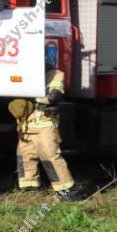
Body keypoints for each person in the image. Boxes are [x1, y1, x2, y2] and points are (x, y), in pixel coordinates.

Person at [9, 61, 80, 200]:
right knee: (25, 155)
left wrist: (27, 95)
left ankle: (67, 190)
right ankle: (30, 186)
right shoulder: (24, 72)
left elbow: (53, 96)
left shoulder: (56, 74)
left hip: (44, 124)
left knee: (50, 156)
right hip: (26, 125)